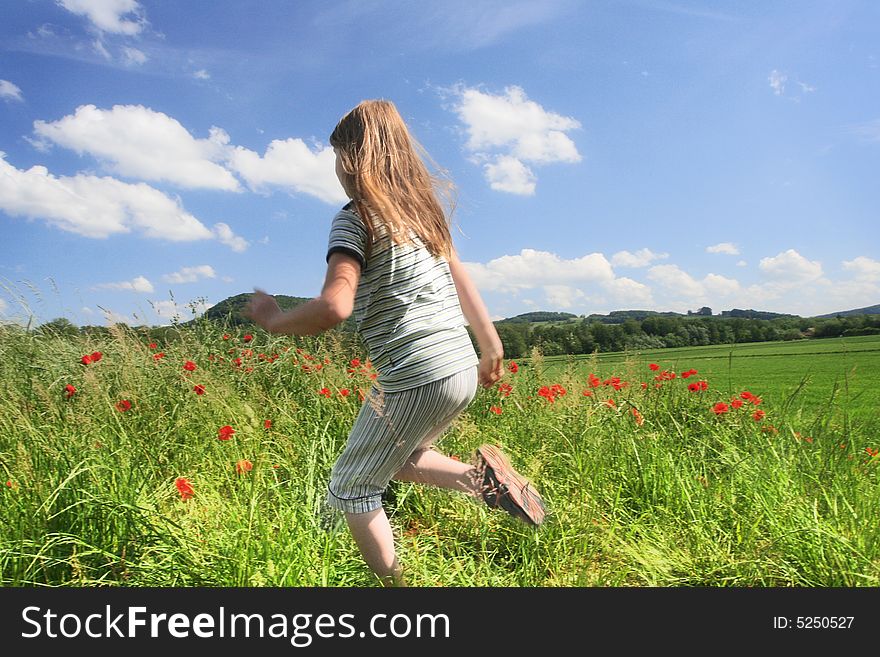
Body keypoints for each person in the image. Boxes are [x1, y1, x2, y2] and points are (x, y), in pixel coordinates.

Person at [244, 99, 545, 586]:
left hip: (415, 371)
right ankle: (484, 483)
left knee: (353, 484)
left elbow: (335, 307)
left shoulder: (354, 217)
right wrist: (491, 347)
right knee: (397, 460)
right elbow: (461, 280)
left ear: (352, 159)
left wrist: (274, 319)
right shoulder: (424, 215)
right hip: (459, 363)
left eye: (338, 157)